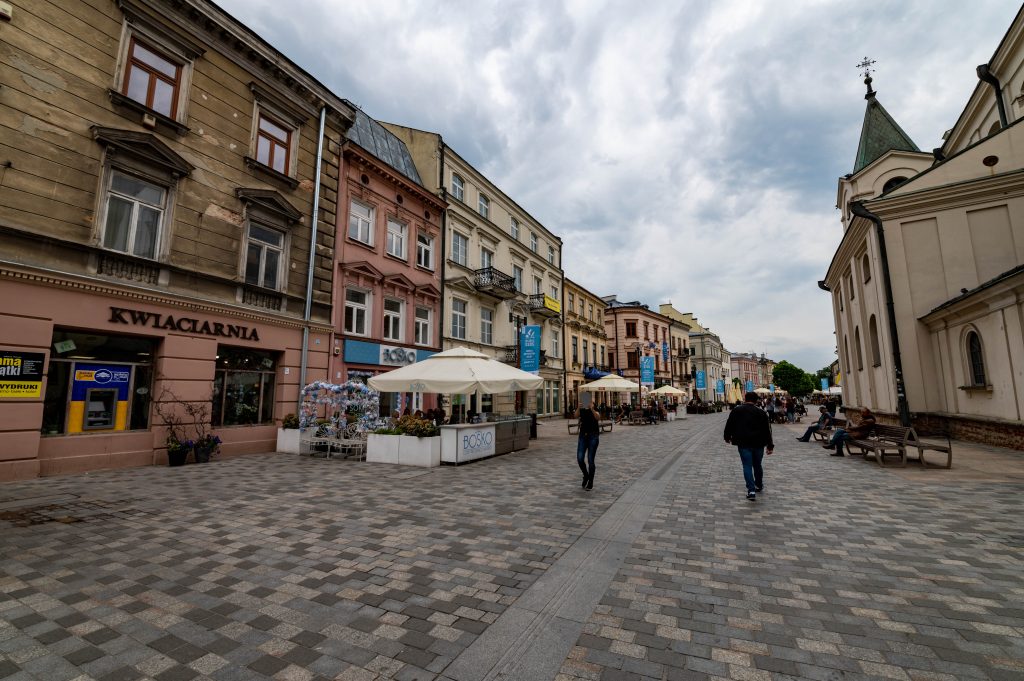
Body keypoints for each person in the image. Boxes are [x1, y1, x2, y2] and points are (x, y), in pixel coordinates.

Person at [724, 391, 774, 501]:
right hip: (758, 443)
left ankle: (751, 490)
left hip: (743, 442)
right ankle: (758, 485)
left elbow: (729, 424)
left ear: (745, 398)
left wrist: (727, 436)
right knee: (757, 465)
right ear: (756, 400)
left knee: (747, 465)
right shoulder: (761, 412)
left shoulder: (736, 410)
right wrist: (770, 445)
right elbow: (767, 430)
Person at [576, 394, 600, 490]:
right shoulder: (581, 409)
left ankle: (591, 481)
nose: (588, 403)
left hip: (593, 436)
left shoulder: (595, 410)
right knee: (580, 458)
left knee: (590, 460)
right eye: (587, 401)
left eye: (591, 402)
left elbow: (598, 417)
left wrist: (592, 409)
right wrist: (578, 407)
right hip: (583, 436)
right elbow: (575, 415)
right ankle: (586, 475)